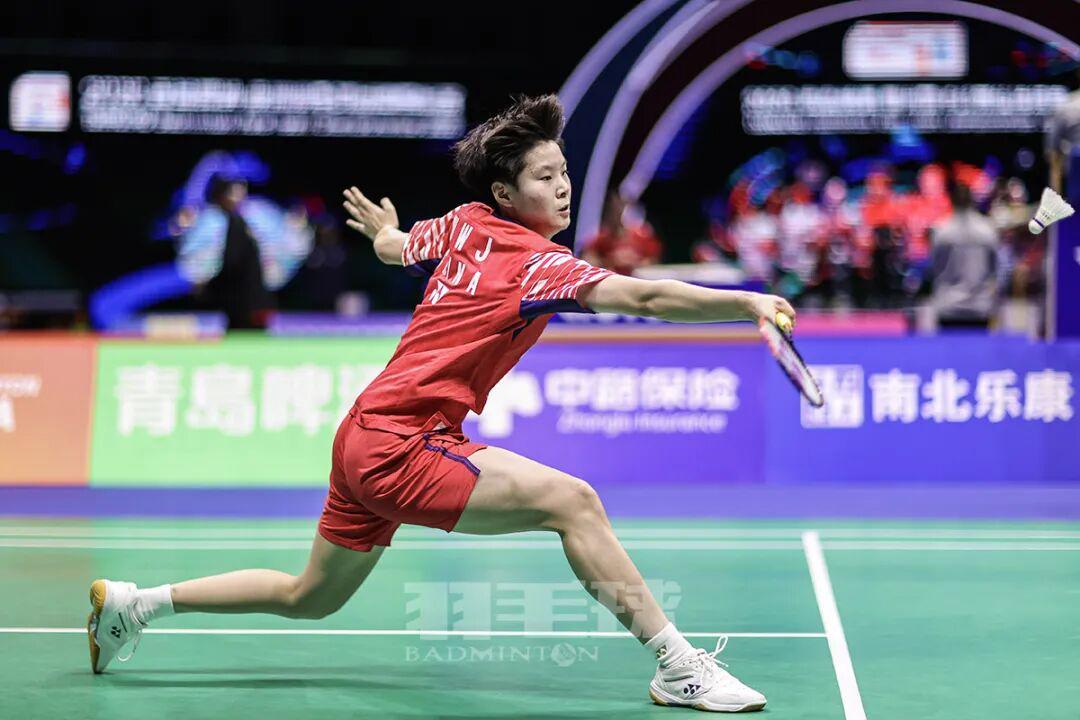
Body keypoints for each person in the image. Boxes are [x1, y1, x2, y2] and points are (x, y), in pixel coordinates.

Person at [86, 95, 793, 713]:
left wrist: (382, 232)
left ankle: (135, 605)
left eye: (564, 172)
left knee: (311, 597)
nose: (563, 187)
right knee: (573, 502)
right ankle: (678, 666)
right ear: (506, 194)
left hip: (363, 434)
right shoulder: (540, 265)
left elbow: (397, 247)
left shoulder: (460, 225)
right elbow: (643, 296)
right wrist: (747, 303)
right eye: (544, 177)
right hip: (402, 443)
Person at [198, 175, 275, 329]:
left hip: (245, 306)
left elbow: (232, 264)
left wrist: (207, 286)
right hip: (253, 302)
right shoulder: (238, 222)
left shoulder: (236, 224)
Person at [928, 183, 999, 328]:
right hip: (980, 306)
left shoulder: (941, 232)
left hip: (948, 306)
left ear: (951, 200)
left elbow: (934, 268)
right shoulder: (987, 230)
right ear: (972, 201)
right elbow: (995, 269)